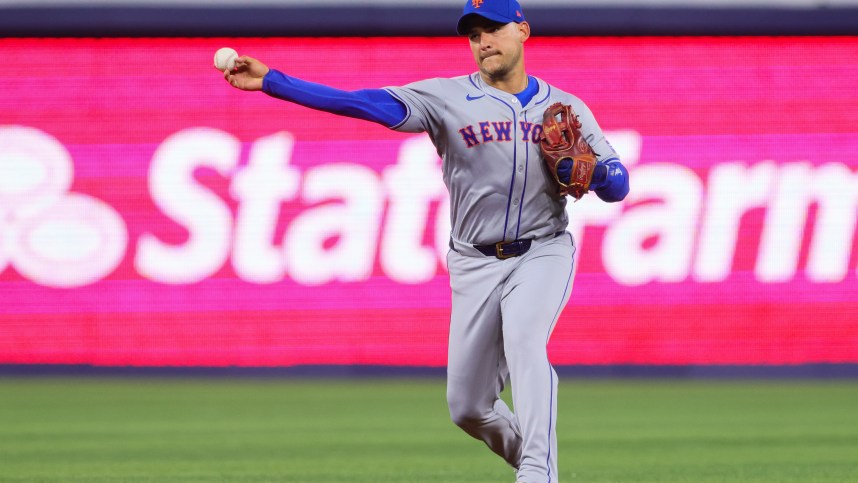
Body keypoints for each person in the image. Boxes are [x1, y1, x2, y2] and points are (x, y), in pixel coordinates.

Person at [220, 0, 629, 481]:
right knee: (468, 407)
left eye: (493, 29)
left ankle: (537, 472)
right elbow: (363, 103)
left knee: (525, 340)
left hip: (543, 250)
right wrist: (273, 82)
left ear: (522, 30)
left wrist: (594, 171)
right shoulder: (446, 98)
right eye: (474, 35)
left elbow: (618, 185)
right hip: (474, 262)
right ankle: (538, 463)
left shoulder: (566, 108)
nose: (484, 42)